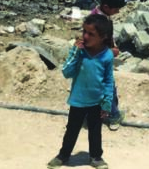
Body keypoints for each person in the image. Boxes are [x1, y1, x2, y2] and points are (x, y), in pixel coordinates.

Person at [48, 14, 114, 169]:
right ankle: (63, 155)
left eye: (91, 34)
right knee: (72, 130)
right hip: (78, 100)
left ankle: (96, 157)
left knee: (95, 131)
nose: (85, 36)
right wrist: (75, 54)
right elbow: (66, 72)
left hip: (96, 101)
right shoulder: (79, 52)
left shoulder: (107, 55)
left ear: (103, 37)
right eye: (84, 31)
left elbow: (108, 81)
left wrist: (107, 103)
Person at [90, 0, 126, 130]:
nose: (118, 12)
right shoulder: (98, 23)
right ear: (106, 7)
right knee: (109, 89)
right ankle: (113, 116)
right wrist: (112, 52)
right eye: (116, 9)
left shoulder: (98, 15)